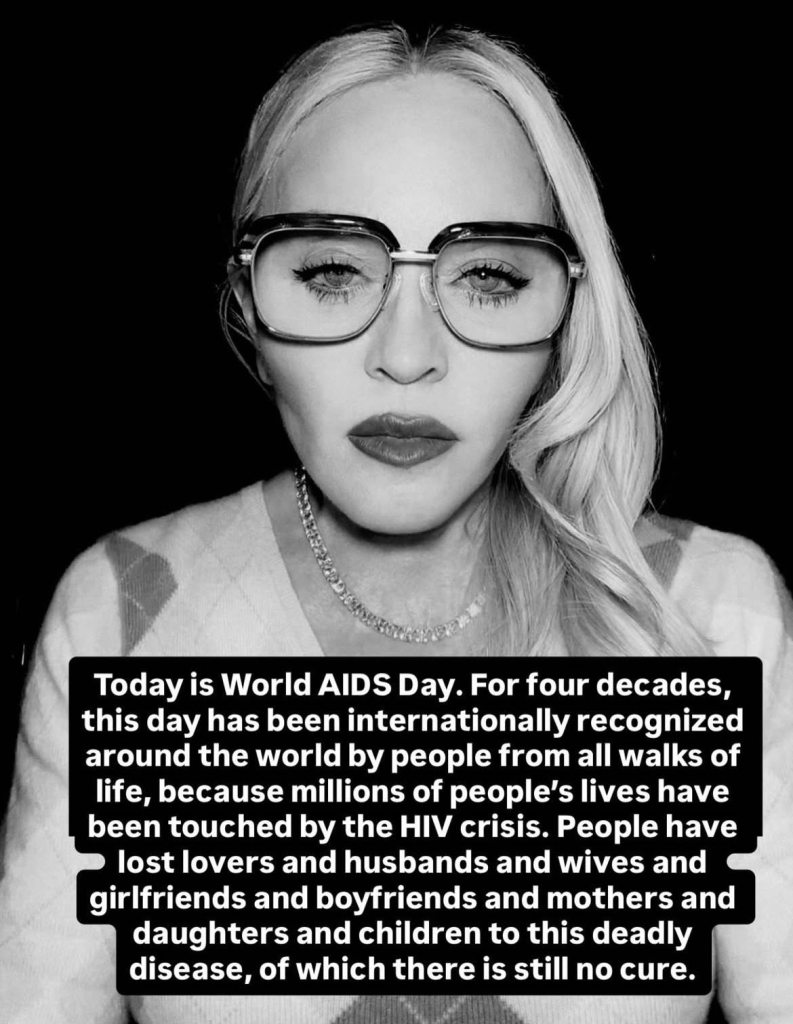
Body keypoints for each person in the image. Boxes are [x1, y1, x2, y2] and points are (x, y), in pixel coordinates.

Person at [1, 22, 791, 1024]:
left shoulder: (711, 618)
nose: (407, 355)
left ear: (564, 316)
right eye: (331, 272)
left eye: (489, 278)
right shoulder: (122, 612)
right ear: (245, 303)